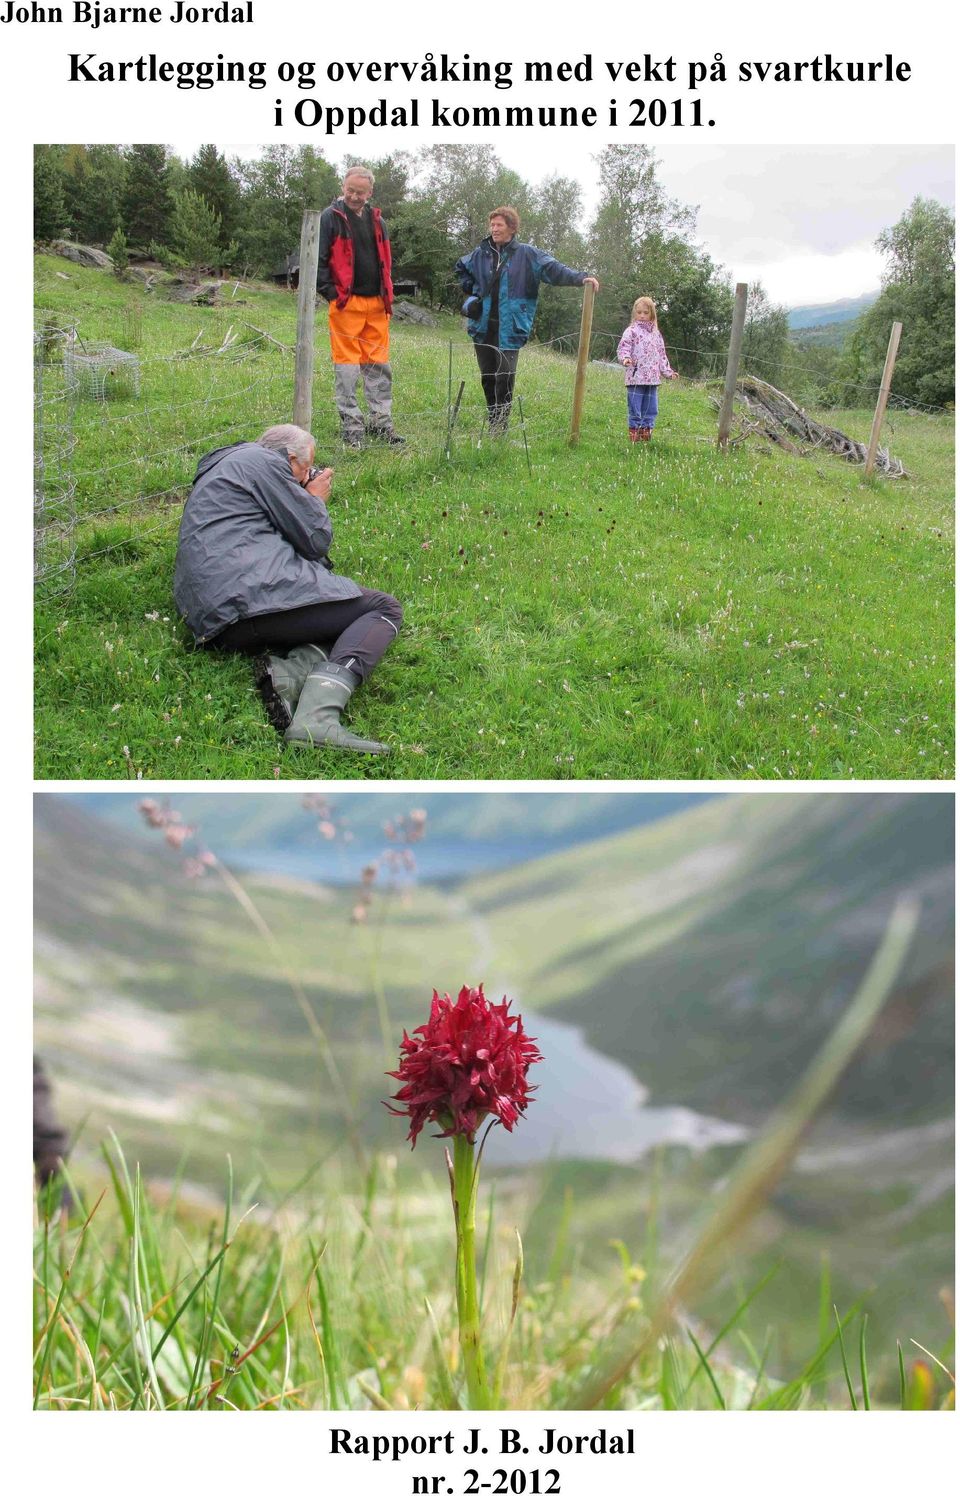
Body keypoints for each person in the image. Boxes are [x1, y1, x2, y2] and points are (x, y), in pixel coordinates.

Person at [173, 425, 402, 755]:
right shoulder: (266, 464)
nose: (307, 475)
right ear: (289, 458)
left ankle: (287, 675)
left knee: (338, 612)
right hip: (246, 600)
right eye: (306, 468)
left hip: (214, 616)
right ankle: (317, 721)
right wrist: (313, 500)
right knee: (382, 609)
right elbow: (314, 540)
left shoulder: (236, 464)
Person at [455, 207, 599, 433]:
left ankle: (499, 427)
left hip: (510, 328)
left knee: (505, 377)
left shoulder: (527, 254)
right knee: (487, 377)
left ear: (511, 228)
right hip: (483, 327)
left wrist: (581, 278)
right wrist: (470, 287)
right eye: (492, 225)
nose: (494, 229)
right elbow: (461, 267)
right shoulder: (481, 253)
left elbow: (554, 269)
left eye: (499, 225)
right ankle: (494, 420)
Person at [317, 166, 404, 450]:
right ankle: (352, 427)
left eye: (360, 192)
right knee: (347, 369)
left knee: (379, 366)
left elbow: (386, 261)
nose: (354, 196)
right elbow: (317, 258)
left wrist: (386, 293)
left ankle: (381, 424)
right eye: (350, 190)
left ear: (370, 193)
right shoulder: (330, 218)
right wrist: (330, 293)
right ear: (343, 187)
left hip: (377, 304)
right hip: (346, 303)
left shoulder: (378, 220)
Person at [616, 295, 678, 443]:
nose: (642, 316)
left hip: (652, 379)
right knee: (635, 406)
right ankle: (634, 434)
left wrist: (668, 372)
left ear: (652, 314)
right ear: (634, 313)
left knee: (651, 408)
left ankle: (646, 433)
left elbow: (662, 355)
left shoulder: (656, 334)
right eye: (639, 312)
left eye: (646, 312)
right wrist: (625, 358)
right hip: (635, 378)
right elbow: (624, 347)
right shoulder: (631, 331)